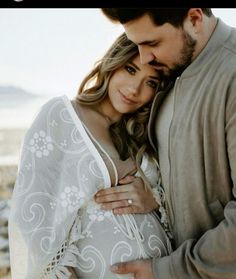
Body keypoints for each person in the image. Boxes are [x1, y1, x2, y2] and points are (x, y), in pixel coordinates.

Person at [8, 32, 172, 279]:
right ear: (113, 63)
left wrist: (154, 200)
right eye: (129, 69)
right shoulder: (62, 116)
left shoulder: (146, 132)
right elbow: (32, 213)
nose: (134, 89)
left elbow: (179, 204)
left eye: (151, 82)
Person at [96, 8, 236, 279]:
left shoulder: (230, 73)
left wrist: (168, 270)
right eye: (137, 45)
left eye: (152, 43)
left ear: (194, 19)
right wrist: (156, 198)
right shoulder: (171, 71)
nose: (145, 57)